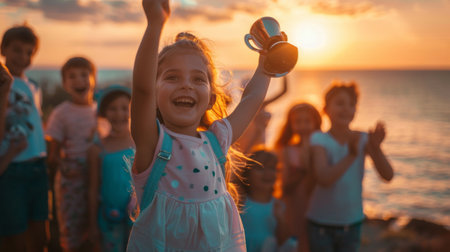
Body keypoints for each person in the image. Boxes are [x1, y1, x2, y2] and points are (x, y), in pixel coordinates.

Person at [126, 0, 276, 250]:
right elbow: (141, 91)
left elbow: (251, 99)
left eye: (198, 79)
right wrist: (155, 23)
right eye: (172, 77)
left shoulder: (217, 140)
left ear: (211, 99)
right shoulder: (152, 142)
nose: (186, 85)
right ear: (154, 93)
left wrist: (267, 62)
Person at [308, 81, 394, 252]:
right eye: (340, 103)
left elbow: (388, 175)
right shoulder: (319, 139)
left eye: (352, 104)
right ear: (325, 109)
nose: (346, 109)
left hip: (352, 222)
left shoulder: (363, 138)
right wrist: (352, 155)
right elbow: (324, 178)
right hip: (320, 223)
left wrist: (376, 148)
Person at [0, 25, 48, 252]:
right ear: (3, 49)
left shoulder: (33, 86)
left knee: (41, 236)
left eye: (29, 52)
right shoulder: (2, 84)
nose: (23, 57)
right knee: (15, 236)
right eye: (17, 50)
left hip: (39, 166)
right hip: (12, 168)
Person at [45, 56, 97, 251]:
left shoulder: (100, 112)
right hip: (73, 178)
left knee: (95, 228)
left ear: (94, 79)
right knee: (73, 228)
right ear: (65, 84)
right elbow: (54, 155)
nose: (79, 81)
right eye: (72, 76)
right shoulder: (61, 113)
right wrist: (64, 167)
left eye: (84, 75)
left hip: (98, 175)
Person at [87, 85, 135, 252]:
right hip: (109, 216)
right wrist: (92, 225)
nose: (119, 114)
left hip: (138, 218)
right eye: (112, 109)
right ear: (104, 113)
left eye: (124, 108)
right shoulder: (97, 149)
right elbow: (93, 190)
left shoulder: (141, 144)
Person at [274, 102, 322, 252]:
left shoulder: (321, 149)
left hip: (316, 203)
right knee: (296, 239)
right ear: (291, 125)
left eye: (307, 121)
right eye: (298, 122)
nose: (303, 126)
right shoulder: (287, 150)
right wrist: (302, 171)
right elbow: (284, 186)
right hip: (294, 204)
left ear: (316, 122)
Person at [239, 149, 297, 252]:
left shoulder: (279, 205)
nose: (267, 173)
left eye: (272, 168)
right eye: (260, 168)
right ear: (247, 173)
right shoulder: (240, 202)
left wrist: (280, 219)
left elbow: (283, 241)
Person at [236, 75, 288, 154]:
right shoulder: (258, 106)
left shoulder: (243, 107)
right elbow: (258, 131)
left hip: (250, 146)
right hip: (253, 147)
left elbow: (284, 91)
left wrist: (284, 74)